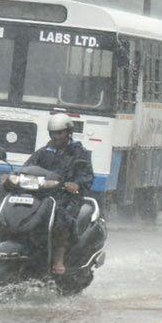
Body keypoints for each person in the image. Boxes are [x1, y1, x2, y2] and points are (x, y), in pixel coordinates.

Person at [23, 113, 94, 275]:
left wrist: (76, 184)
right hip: (43, 195)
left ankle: (58, 258)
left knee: (61, 217)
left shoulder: (79, 153)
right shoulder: (43, 152)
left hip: (67, 197)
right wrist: (15, 176)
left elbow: (87, 175)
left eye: (60, 133)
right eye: (53, 133)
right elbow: (28, 167)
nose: (56, 137)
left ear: (68, 133)